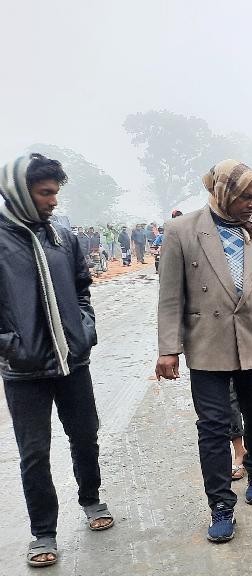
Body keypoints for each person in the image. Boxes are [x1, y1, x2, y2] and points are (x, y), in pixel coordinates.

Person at [155, 159, 252, 543]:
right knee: (213, 427)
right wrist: (168, 349)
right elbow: (170, 297)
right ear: (222, 193)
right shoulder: (181, 231)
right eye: (244, 197)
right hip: (206, 345)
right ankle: (220, 505)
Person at [0, 154, 115, 568]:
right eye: (44, 192)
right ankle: (43, 532)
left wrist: (83, 328)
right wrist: (10, 344)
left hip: (72, 362)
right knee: (34, 452)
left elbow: (83, 287)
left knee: (85, 436)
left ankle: (92, 500)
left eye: (55, 192)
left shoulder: (62, 235)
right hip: (23, 370)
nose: (52, 200)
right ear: (19, 191)